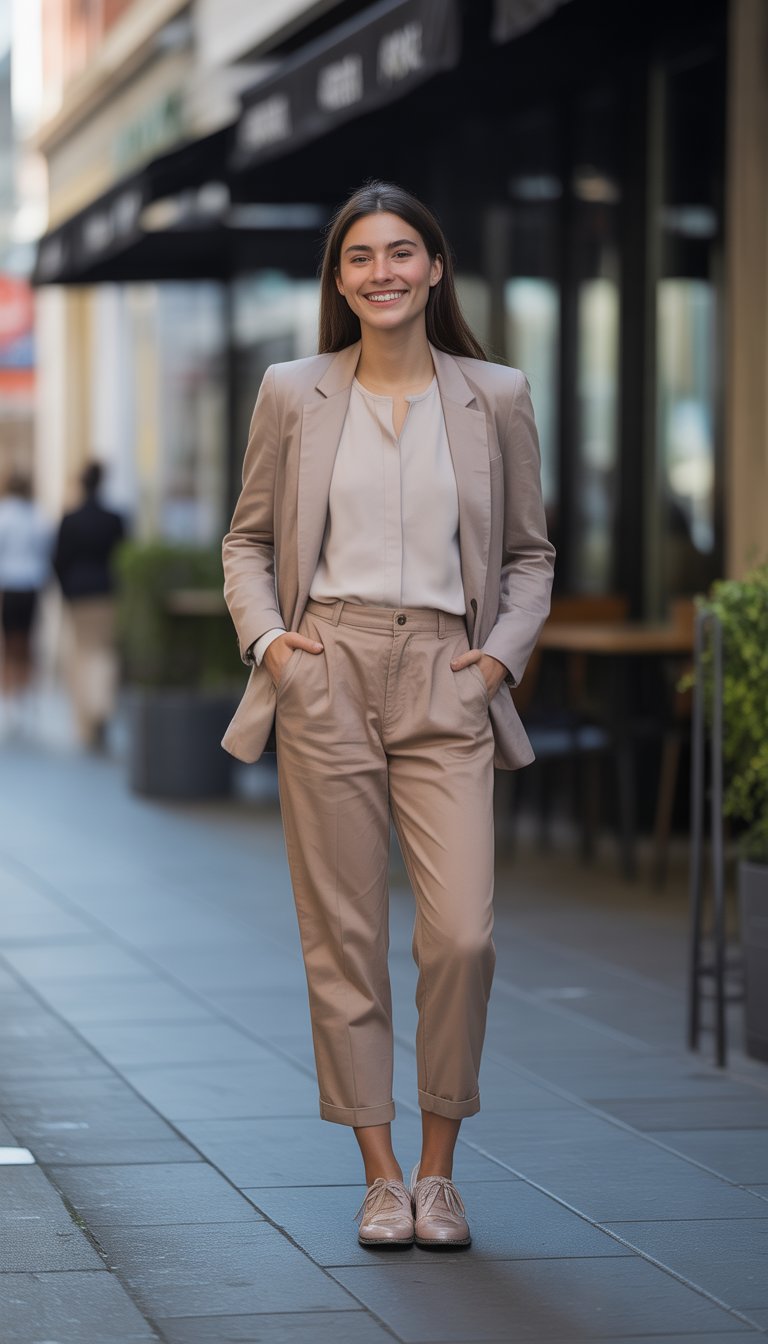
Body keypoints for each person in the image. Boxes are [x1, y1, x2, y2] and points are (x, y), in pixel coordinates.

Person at [222, 181, 555, 1248]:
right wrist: (272, 642)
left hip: (448, 673)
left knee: (461, 936)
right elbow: (246, 540)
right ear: (340, 279)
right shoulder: (293, 391)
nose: (382, 273)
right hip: (328, 664)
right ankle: (379, 1174)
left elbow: (528, 557)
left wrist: (496, 663)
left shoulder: (494, 395)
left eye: (400, 253)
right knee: (344, 938)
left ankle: (440, 1170)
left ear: (435, 268)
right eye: (360, 257)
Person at [53, 461, 125, 749]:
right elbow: (123, 556)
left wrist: (67, 589)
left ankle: (89, 714)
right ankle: (100, 709)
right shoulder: (114, 519)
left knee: (83, 654)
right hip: (107, 592)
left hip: (79, 595)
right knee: (104, 653)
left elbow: (58, 559)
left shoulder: (70, 519)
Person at [0, 472, 51, 732]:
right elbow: (46, 550)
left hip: (9, 585)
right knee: (26, 640)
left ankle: (10, 697)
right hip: (30, 585)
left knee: (9, 642)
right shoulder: (35, 516)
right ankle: (24, 693)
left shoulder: (5, 515)